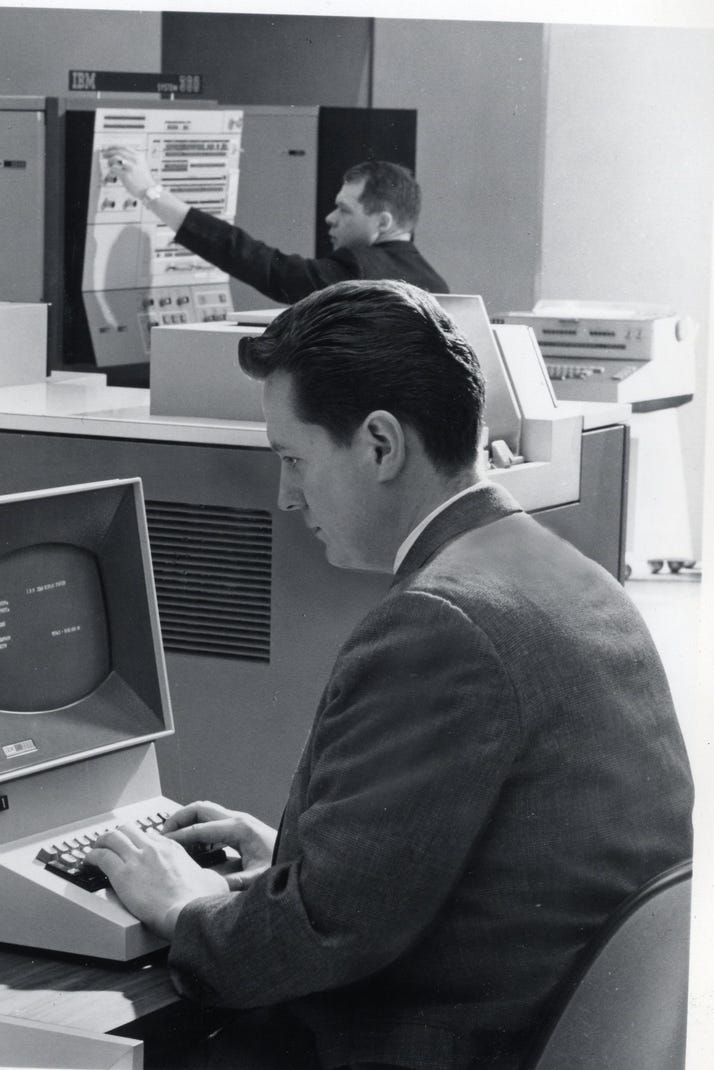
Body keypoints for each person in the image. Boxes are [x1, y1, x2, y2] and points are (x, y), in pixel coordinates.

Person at [88, 280, 693, 1070]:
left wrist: (187, 905)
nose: (284, 496)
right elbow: (477, 867)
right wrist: (296, 863)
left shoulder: (442, 625)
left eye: (293, 458)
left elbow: (313, 942)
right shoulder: (570, 578)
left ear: (380, 444)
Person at [102, 149, 448, 302]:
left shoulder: (357, 271)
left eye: (344, 209)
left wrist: (150, 192)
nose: (330, 218)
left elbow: (258, 261)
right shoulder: (437, 284)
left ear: (382, 222)